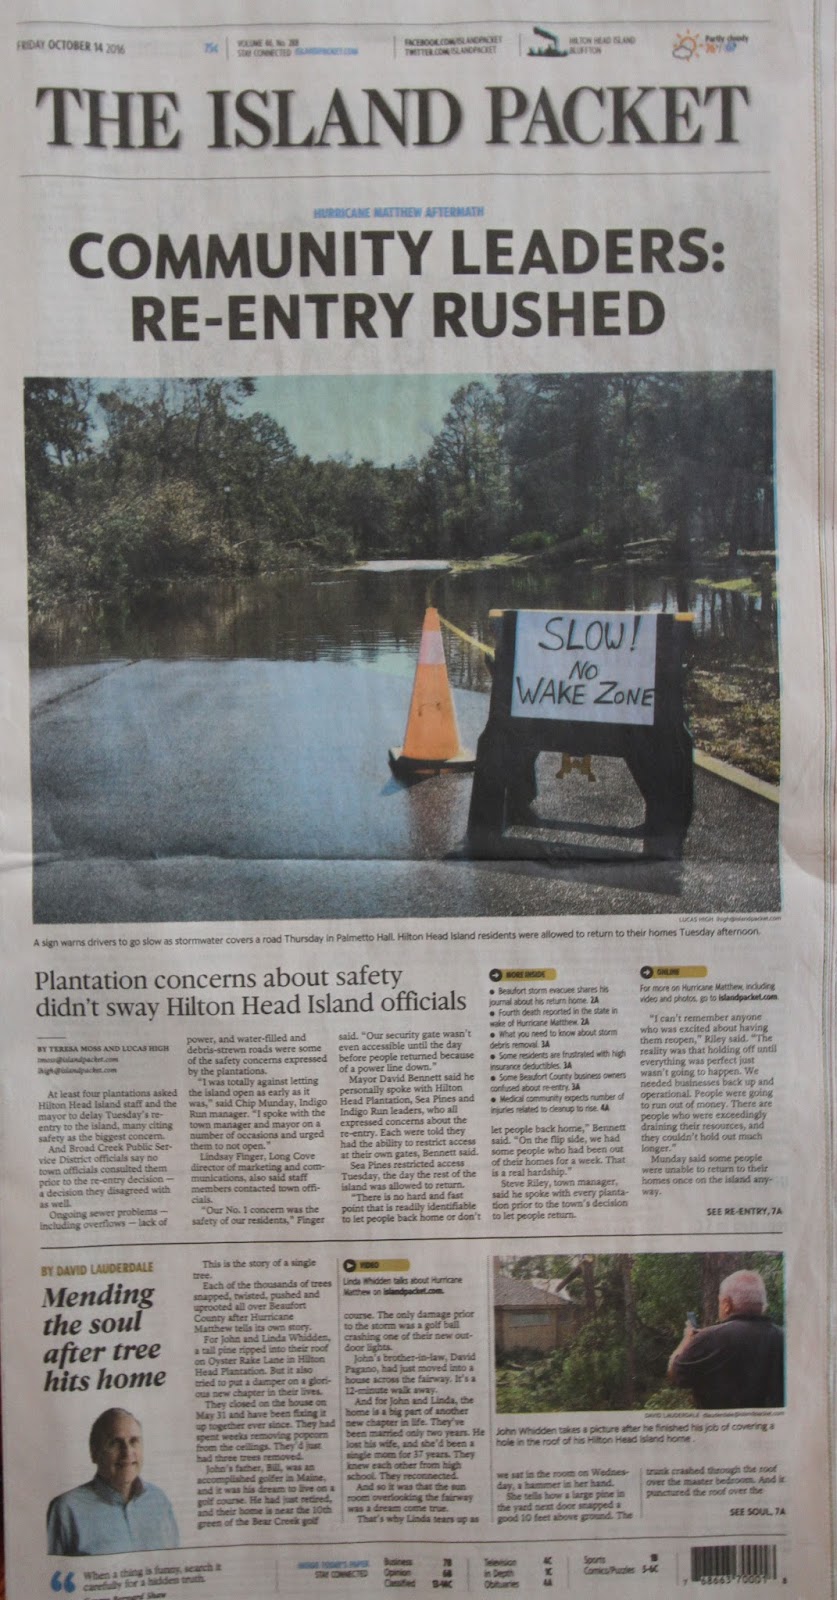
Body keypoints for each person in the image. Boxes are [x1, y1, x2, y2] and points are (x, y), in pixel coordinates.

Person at [47, 1407, 179, 1556]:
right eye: (115, 1443)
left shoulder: (159, 1500)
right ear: (94, 1452)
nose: (127, 1452)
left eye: (134, 1441)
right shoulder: (66, 1509)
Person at [667, 1269, 784, 1409]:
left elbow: (675, 1375)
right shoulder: (784, 1337)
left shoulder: (708, 1338)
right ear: (763, 1305)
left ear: (727, 1304)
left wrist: (687, 1340)